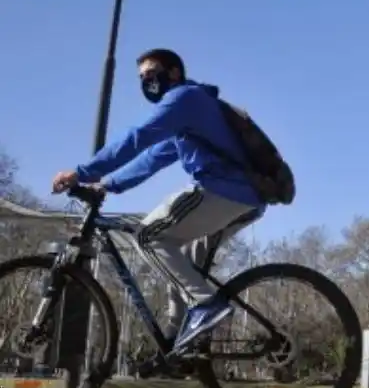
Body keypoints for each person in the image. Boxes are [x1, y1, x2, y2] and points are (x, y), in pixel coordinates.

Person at [52, 48, 265, 354]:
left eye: (152, 74)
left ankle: (206, 306)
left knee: (148, 235)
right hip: (244, 198)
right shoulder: (191, 113)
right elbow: (154, 157)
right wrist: (107, 184)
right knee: (181, 262)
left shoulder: (183, 99)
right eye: (141, 78)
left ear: (174, 72)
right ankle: (181, 341)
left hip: (223, 190)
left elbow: (137, 137)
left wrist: (82, 173)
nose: (147, 82)